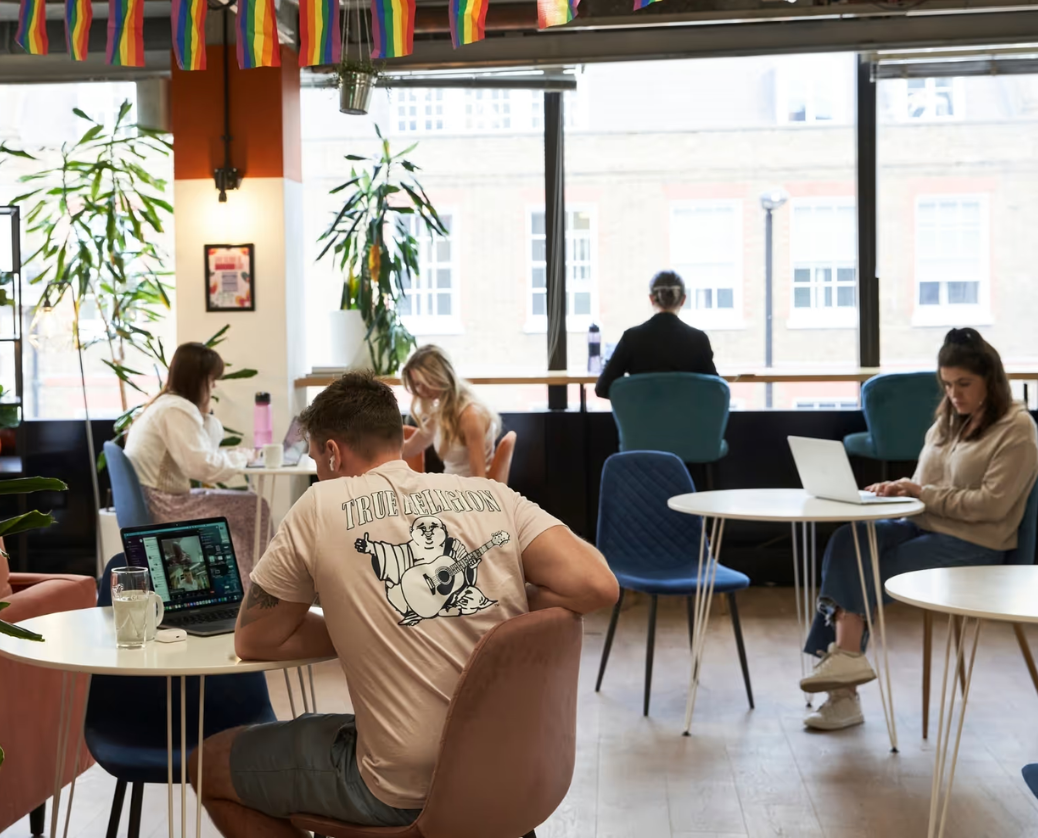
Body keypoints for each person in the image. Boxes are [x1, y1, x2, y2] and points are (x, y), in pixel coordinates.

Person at [194, 373, 618, 836]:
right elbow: (597, 585)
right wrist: (503, 594)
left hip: (402, 791)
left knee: (208, 764)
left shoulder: (320, 504)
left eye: (317, 458)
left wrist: (362, 616)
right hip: (515, 772)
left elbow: (253, 638)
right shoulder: (491, 495)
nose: (319, 470)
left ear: (332, 452)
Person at [799, 328, 1038, 731]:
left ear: (991, 382)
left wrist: (923, 493)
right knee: (850, 538)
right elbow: (926, 483)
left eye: (964, 384)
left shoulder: (1017, 430)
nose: (954, 394)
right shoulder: (948, 421)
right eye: (947, 385)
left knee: (866, 568)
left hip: (976, 543)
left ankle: (843, 688)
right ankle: (847, 661)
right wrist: (900, 489)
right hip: (923, 525)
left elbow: (991, 505)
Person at [122, 342, 266, 580]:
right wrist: (243, 457)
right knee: (255, 508)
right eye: (211, 379)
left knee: (250, 506)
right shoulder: (175, 409)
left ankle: (245, 589)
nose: (215, 385)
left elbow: (205, 450)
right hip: (166, 505)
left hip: (158, 499)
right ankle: (258, 591)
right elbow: (204, 467)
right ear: (198, 379)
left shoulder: (169, 404)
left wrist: (204, 412)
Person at [594, 269, 717, 399]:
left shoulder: (632, 338)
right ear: (683, 300)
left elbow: (602, 388)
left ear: (652, 299)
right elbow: (716, 390)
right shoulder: (699, 340)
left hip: (642, 418)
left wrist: (636, 396)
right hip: (688, 418)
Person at [400, 345, 500, 477]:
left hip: (465, 493)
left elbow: (479, 479)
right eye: (417, 384)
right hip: (451, 487)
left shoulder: (470, 416)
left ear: (441, 377)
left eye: (426, 382)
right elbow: (409, 448)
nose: (420, 390)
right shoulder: (444, 410)